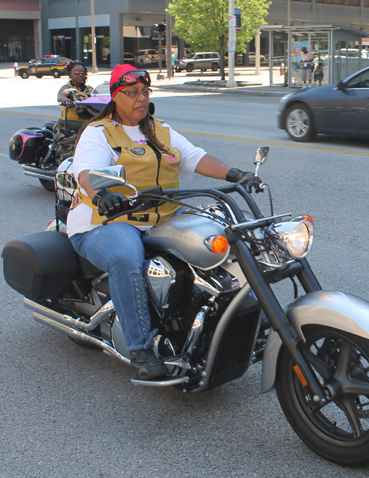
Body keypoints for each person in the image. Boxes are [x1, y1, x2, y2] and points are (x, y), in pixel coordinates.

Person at [67, 64, 260, 380]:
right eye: (131, 93)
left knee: (222, 231)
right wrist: (102, 194)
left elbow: (194, 157)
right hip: (104, 220)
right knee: (126, 255)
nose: (140, 99)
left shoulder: (159, 131)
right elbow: (85, 170)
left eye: (144, 92)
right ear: (115, 97)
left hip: (160, 216)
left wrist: (236, 174)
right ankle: (140, 349)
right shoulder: (99, 132)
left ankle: (228, 318)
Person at [53, 60, 94, 162]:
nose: (80, 75)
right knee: (69, 157)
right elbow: (61, 95)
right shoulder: (67, 88)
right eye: (76, 72)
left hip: (87, 126)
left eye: (83, 73)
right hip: (69, 126)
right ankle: (64, 173)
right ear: (70, 74)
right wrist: (65, 100)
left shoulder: (89, 89)